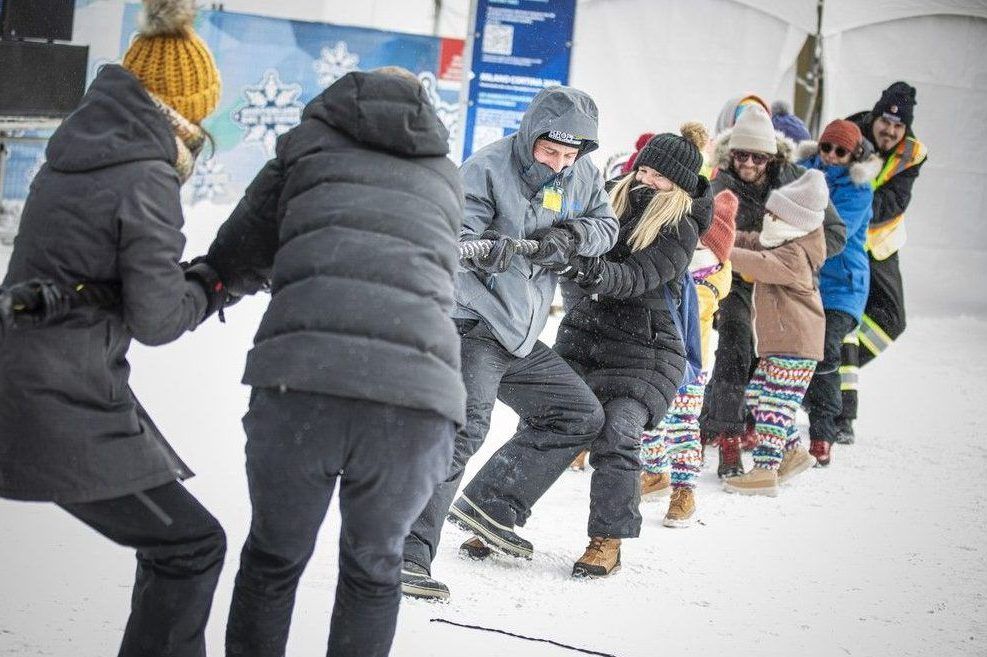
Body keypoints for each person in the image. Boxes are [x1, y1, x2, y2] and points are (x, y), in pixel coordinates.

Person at [199, 68, 465, 656]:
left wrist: (205, 288)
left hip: (304, 384)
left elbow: (240, 252)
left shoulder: (304, 150)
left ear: (339, 102)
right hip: (416, 400)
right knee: (375, 569)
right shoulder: (445, 173)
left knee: (273, 559)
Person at [0, 1, 228, 655]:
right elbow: (158, 318)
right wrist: (213, 283)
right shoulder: (146, 173)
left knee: (177, 545)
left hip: (34, 373)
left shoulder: (78, 149)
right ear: (183, 108)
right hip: (57, 396)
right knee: (191, 545)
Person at [457, 126, 712, 578]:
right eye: (644, 171)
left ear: (680, 185)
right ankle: (493, 514)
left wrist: (583, 267)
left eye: (659, 177)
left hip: (646, 351)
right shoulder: (609, 197)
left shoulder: (681, 225)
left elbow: (634, 278)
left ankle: (607, 540)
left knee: (618, 432)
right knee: (552, 417)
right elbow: (568, 233)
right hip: (586, 337)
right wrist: (563, 245)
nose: (646, 181)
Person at [397, 85, 618, 599]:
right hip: (473, 323)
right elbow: (448, 239)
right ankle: (406, 553)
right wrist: (483, 249)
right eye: (550, 151)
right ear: (531, 135)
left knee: (578, 414)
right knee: (461, 432)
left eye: (569, 155)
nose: (559, 163)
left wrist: (573, 236)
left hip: (519, 333)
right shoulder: (487, 167)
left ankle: (493, 503)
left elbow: (607, 227)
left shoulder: (582, 173)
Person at [699, 104, 846, 477]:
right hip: (736, 281)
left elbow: (834, 232)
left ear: (773, 156)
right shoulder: (719, 184)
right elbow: (704, 231)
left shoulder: (795, 180)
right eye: (741, 155)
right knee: (734, 347)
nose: (748, 164)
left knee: (773, 364)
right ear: (729, 153)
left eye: (758, 157)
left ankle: (780, 440)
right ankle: (729, 439)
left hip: (779, 283)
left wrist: (794, 255)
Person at [722, 170, 829, 496]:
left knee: (774, 405)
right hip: (780, 345)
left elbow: (759, 262)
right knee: (759, 397)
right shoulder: (782, 241)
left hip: (795, 345)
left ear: (793, 222)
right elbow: (752, 242)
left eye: (774, 215)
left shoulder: (795, 255)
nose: (767, 218)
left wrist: (721, 250)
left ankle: (765, 470)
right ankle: (793, 451)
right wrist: (722, 233)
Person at [836, 81, 928, 445]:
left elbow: (894, 202)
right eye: (885, 122)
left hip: (881, 244)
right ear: (874, 117)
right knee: (845, 317)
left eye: (898, 126)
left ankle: (826, 372)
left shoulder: (912, 153)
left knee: (892, 320)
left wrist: (858, 201)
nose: (890, 130)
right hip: (845, 241)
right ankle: (842, 413)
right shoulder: (848, 133)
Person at [641, 188, 737, 526]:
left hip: (689, 368)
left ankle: (684, 489)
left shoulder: (708, 284)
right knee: (650, 421)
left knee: (682, 427)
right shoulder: (675, 268)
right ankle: (655, 471)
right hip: (657, 358)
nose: (690, 248)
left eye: (699, 246)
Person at [798, 120, 881, 465]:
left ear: (854, 155)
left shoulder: (859, 190)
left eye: (840, 151)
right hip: (804, 277)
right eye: (826, 147)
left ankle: (825, 430)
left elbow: (832, 232)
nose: (831, 156)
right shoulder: (802, 170)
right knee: (785, 344)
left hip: (843, 284)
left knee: (826, 350)